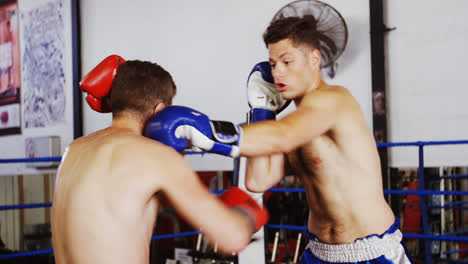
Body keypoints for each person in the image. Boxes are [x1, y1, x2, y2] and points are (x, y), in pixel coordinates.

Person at [148, 15, 413, 264]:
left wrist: (207, 135)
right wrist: (261, 111)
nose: (278, 73)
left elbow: (282, 137)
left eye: (287, 62)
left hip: (370, 251)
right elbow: (259, 180)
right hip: (319, 251)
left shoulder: (334, 100)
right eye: (273, 64)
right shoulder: (290, 124)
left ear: (314, 59)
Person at [51, 55, 269, 264]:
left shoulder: (74, 151)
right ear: (161, 111)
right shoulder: (155, 157)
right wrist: (246, 212)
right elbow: (232, 237)